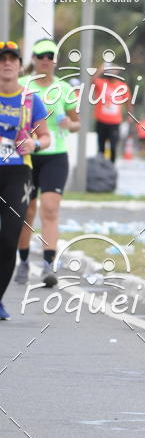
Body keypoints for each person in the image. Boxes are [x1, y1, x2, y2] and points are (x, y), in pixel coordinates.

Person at [16, 39, 81, 288]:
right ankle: (23, 261)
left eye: (50, 56)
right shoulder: (22, 85)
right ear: (33, 58)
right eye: (41, 55)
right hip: (26, 156)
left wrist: (69, 124)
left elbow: (77, 123)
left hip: (55, 155)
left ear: (55, 60)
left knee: (50, 209)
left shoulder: (64, 89)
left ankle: (47, 265)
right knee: (27, 211)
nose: (45, 60)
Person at [0, 41, 50, 319]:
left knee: (9, 239)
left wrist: (36, 144)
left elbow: (45, 137)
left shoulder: (30, 100)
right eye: (2, 59)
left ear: (20, 66)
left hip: (17, 172)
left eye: (12, 59)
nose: (7, 63)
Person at [92, 62, 131, 162]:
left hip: (114, 123)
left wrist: (129, 116)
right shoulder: (101, 83)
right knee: (101, 148)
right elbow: (91, 80)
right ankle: (101, 167)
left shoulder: (123, 87)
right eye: (110, 71)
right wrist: (101, 68)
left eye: (114, 71)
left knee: (113, 147)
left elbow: (128, 103)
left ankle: (111, 167)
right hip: (101, 121)